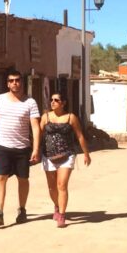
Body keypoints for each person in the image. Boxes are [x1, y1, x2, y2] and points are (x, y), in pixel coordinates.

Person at [0, 69, 40, 226]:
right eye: (11, 80)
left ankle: (22, 209)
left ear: (22, 82)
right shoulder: (0, 99)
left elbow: (35, 127)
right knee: (0, 177)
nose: (14, 83)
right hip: (2, 146)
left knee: (23, 180)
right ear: (7, 83)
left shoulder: (30, 102)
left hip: (22, 148)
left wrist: (35, 148)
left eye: (17, 80)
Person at [40, 93, 91, 227]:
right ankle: (57, 205)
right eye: (51, 100)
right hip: (48, 156)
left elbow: (80, 136)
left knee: (61, 185)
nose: (53, 102)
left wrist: (86, 153)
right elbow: (38, 134)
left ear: (63, 103)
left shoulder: (71, 117)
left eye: (56, 100)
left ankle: (62, 215)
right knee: (52, 187)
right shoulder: (45, 117)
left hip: (67, 155)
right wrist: (33, 151)